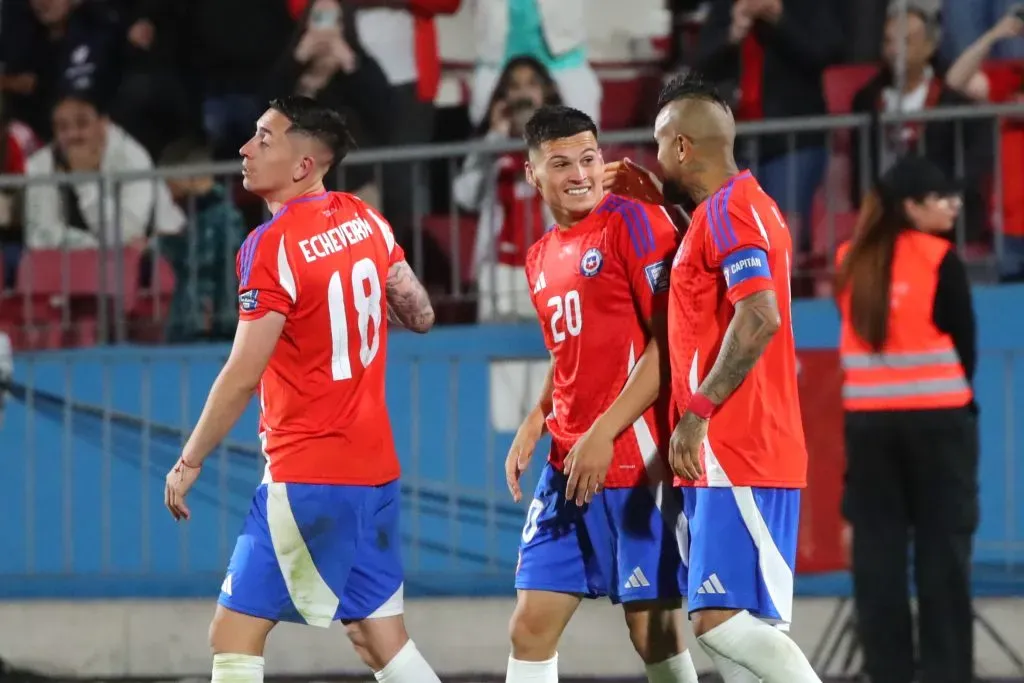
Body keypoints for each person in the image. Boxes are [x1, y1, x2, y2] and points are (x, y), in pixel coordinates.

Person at [162, 95, 439, 683]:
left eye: (264, 139)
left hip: (309, 473)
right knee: (379, 639)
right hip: (375, 473)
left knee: (233, 634)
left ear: (303, 165)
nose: (245, 149)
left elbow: (242, 374)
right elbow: (420, 314)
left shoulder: (270, 245)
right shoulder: (366, 218)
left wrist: (190, 460)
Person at [604, 75, 818, 683]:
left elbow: (759, 316)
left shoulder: (730, 211)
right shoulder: (740, 207)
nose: (653, 157)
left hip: (735, 445)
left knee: (717, 623)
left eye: (657, 144)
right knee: (739, 640)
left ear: (680, 146)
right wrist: (664, 204)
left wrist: (697, 413)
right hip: (736, 449)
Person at [505, 105, 699, 683]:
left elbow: (670, 346)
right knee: (529, 627)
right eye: (561, 163)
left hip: (636, 464)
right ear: (532, 174)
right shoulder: (539, 257)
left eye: (588, 159)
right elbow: (569, 353)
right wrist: (536, 418)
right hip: (568, 464)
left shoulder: (635, 222)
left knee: (652, 633)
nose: (580, 174)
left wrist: (603, 433)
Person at [835, 156, 977, 683]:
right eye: (942, 198)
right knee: (943, 558)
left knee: (878, 562)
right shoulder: (941, 259)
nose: (953, 206)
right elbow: (965, 349)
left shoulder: (850, 259)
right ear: (911, 207)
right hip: (940, 428)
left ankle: (887, 671)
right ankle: (946, 673)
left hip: (869, 430)